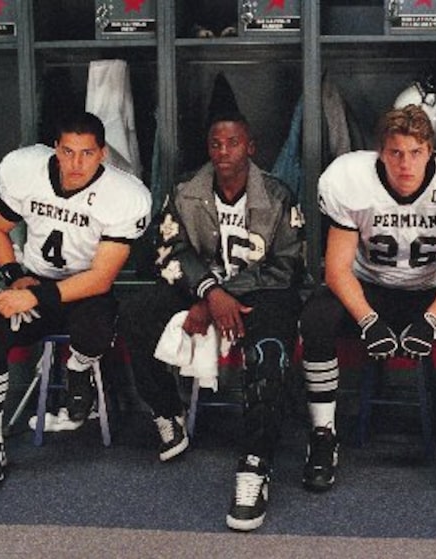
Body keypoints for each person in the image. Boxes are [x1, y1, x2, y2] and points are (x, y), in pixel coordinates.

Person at [299, 104, 436, 498]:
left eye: (415, 152)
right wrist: (368, 321)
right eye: (395, 153)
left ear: (431, 152)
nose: (405, 164)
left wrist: (432, 320)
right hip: (370, 286)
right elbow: (337, 269)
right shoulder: (351, 181)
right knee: (317, 317)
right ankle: (323, 435)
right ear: (381, 153)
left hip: (433, 289)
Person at [118, 111, 303, 532]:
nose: (224, 152)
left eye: (233, 142)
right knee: (136, 311)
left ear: (250, 147)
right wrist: (208, 293)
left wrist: (225, 295)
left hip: (260, 293)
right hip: (200, 289)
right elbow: (167, 252)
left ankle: (255, 465)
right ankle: (168, 412)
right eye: (216, 144)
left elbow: (287, 267)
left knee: (270, 347)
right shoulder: (185, 192)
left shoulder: (277, 195)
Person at [0, 111, 152, 492]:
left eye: (86, 153)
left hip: (86, 291)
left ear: (103, 153)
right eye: (67, 152)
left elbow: (101, 278)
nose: (75, 164)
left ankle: (79, 368)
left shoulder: (124, 194)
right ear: (55, 149)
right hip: (35, 281)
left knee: (95, 329)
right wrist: (14, 276)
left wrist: (29, 296)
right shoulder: (26, 169)